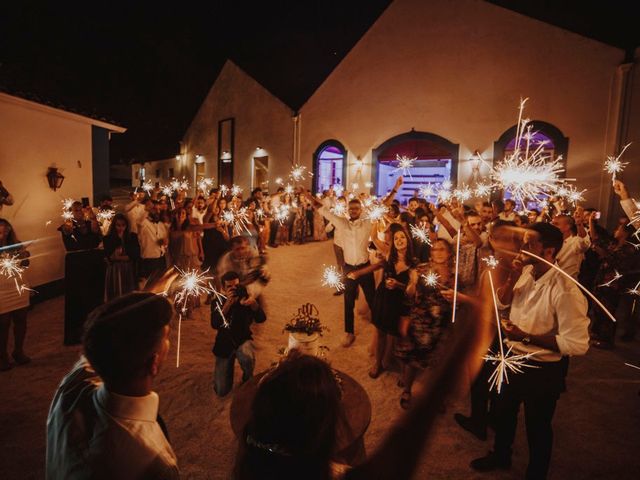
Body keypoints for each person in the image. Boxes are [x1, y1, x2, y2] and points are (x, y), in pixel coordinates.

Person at [471, 222, 590, 479]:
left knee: (537, 426)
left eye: (529, 243)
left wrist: (525, 336)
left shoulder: (566, 291)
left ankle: (536, 474)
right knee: (503, 414)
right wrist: (513, 276)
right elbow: (502, 303)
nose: (521, 247)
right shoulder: (525, 272)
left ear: (548, 251)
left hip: (542, 369)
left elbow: (577, 343)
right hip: (510, 358)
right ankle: (501, 455)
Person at [46, 292, 179, 479]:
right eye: (166, 337)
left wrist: (137, 305)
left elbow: (100, 338)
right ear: (154, 363)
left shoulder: (70, 389)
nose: (168, 341)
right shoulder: (155, 464)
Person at [315, 177, 402, 347]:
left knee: (372, 299)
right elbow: (322, 210)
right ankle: (349, 332)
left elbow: (383, 205)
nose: (354, 210)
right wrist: (308, 196)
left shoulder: (367, 222)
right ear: (348, 210)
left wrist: (396, 188)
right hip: (348, 268)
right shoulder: (342, 223)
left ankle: (379, 329)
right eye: (351, 208)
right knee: (348, 301)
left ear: (361, 209)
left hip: (365, 267)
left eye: (356, 208)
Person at [348, 223, 414, 378]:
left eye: (402, 237)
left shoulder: (413, 263)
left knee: (399, 337)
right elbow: (375, 266)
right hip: (383, 300)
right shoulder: (389, 256)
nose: (399, 240)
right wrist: (357, 273)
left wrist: (398, 285)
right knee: (381, 333)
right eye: (396, 238)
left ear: (408, 240)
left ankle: (402, 370)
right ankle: (378, 363)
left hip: (399, 305)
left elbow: (412, 291)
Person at [396, 239, 454, 409]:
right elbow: (409, 295)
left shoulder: (454, 274)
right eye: (435, 249)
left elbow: (456, 301)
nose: (438, 252)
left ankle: (435, 395)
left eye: (442, 249)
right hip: (421, 322)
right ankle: (407, 390)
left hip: (441, 324)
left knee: (437, 363)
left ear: (449, 253)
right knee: (413, 361)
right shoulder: (421, 270)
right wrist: (413, 283)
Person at [211, 271, 266, 396]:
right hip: (224, 344)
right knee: (221, 390)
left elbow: (261, 319)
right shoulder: (218, 302)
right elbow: (214, 324)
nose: (233, 289)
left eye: (236, 286)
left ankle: (248, 376)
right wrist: (227, 306)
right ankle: (227, 369)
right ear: (223, 289)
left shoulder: (246, 298)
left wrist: (254, 305)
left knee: (246, 354)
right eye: (229, 287)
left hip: (243, 339)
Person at [58, 201, 104, 345]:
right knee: (78, 297)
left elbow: (98, 234)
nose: (78, 212)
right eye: (75, 210)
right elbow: (67, 233)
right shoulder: (68, 226)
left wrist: (92, 216)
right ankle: (77, 333)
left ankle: (95, 330)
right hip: (76, 264)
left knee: (94, 297)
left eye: (80, 210)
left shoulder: (91, 224)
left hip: (93, 262)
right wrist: (68, 222)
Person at [0, 218, 31, 371]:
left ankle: (18, 351)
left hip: (18, 287)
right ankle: (2, 356)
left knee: (21, 320)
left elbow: (25, 264)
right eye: (1, 229)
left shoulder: (16, 244)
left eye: (6, 229)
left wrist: (25, 256)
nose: (3, 232)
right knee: (3, 324)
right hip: (1, 291)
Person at [103, 214, 140, 301]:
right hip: (115, 270)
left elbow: (135, 254)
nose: (121, 228)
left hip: (129, 269)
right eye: (118, 225)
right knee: (116, 293)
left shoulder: (132, 236)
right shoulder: (108, 238)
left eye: (123, 225)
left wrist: (119, 257)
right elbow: (109, 256)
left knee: (129, 294)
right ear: (114, 225)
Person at [551, 210, 590, 279]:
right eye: (552, 223)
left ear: (567, 227)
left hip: (567, 284)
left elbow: (583, 243)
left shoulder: (574, 242)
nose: (552, 226)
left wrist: (579, 224)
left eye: (556, 224)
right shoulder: (551, 242)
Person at [138, 200, 169, 284]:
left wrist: (165, 243)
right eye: (155, 209)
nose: (158, 212)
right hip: (148, 261)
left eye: (159, 210)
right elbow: (139, 221)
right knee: (148, 287)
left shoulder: (161, 225)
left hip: (161, 259)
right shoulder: (143, 223)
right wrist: (146, 209)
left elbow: (165, 242)